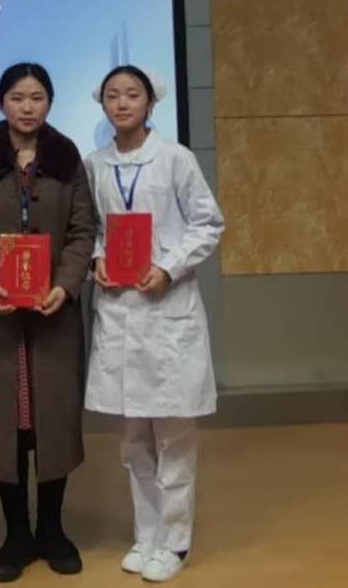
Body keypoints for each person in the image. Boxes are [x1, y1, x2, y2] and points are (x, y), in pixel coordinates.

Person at [0, 62, 98, 583]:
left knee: (52, 421)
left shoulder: (66, 157)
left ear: (49, 103)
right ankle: (16, 533)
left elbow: (83, 230)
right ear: (1, 104)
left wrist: (66, 283)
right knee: (7, 423)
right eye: (17, 97)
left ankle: (52, 529)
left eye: (37, 97)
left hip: (52, 313)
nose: (27, 107)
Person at [85, 65, 224, 584]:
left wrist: (168, 266)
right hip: (120, 310)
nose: (122, 103)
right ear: (103, 104)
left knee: (174, 436)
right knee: (133, 438)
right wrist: (98, 257)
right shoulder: (95, 165)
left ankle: (176, 540)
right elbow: (92, 228)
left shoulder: (176, 159)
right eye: (113, 96)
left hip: (167, 309)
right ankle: (146, 535)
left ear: (150, 103)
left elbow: (208, 223)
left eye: (132, 95)